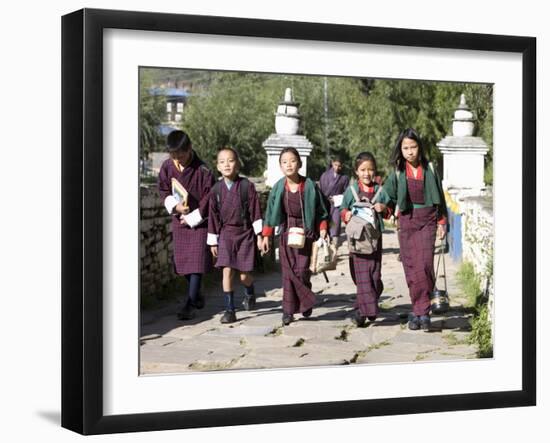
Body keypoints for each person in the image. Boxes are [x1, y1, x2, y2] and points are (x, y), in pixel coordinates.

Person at [383, 128, 447, 331]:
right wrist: (384, 209)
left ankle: (420, 311)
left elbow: (440, 197)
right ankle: (421, 312)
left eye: (413, 147)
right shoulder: (398, 171)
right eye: (405, 148)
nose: (410, 152)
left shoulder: (429, 168)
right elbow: (388, 197)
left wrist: (442, 222)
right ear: (400, 150)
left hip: (427, 220)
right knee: (411, 269)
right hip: (407, 222)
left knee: (425, 265)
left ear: (419, 147)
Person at [260, 147, 329, 326]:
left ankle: (305, 301)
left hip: (306, 234)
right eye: (284, 162)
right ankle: (288, 311)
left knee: (302, 271)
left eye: (292, 161)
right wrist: (266, 236)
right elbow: (269, 213)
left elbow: (322, 211)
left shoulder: (311, 187)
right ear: (280, 167)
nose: (289, 164)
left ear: (299, 163)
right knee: (288, 274)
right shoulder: (278, 187)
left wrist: (322, 229)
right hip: (286, 233)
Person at [158, 130, 215, 320]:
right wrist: (175, 206)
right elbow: (163, 189)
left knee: (196, 263)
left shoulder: (204, 171)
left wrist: (193, 215)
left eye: (181, 155)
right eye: (174, 155)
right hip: (178, 221)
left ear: (189, 149)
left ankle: (189, 304)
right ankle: (197, 293)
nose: (178, 159)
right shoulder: (167, 167)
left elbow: (210, 198)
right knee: (181, 263)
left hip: (199, 222)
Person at [207, 147, 264, 324]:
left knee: (244, 276)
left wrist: (260, 236)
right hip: (226, 234)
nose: (227, 164)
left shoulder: (247, 186)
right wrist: (213, 241)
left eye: (231, 160)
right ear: (217, 166)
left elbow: (255, 212)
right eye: (222, 161)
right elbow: (213, 217)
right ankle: (230, 310)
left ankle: (249, 291)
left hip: (245, 233)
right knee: (227, 271)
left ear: (237, 164)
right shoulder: (216, 190)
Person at [340, 152, 391, 326]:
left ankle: (365, 306)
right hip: (356, 240)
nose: (367, 173)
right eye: (363, 170)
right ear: (356, 171)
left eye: (370, 170)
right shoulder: (351, 191)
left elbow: (388, 211)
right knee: (361, 276)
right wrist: (346, 215)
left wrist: (382, 207)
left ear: (375, 171)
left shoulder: (380, 191)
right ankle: (363, 312)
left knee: (374, 275)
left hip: (375, 240)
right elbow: (342, 210)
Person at [319, 156, 350, 247]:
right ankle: (326, 248)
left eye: (339, 166)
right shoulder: (324, 175)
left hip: (336, 206)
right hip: (325, 204)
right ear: (332, 163)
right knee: (325, 225)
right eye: (335, 165)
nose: (337, 168)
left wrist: (338, 198)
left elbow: (347, 193)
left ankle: (335, 247)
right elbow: (320, 190)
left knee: (335, 226)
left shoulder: (344, 178)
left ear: (342, 166)